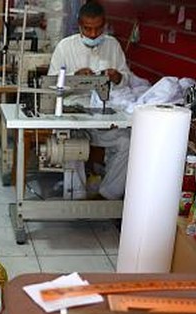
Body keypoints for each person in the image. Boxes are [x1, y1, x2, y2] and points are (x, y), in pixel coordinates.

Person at [48, 0, 132, 199]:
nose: (93, 34)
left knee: (126, 142)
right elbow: (51, 86)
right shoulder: (65, 47)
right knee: (71, 144)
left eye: (97, 29)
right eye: (87, 29)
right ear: (79, 25)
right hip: (72, 111)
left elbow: (125, 80)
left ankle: (107, 196)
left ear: (104, 25)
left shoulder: (112, 45)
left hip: (101, 112)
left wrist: (117, 77)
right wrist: (74, 80)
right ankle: (75, 195)